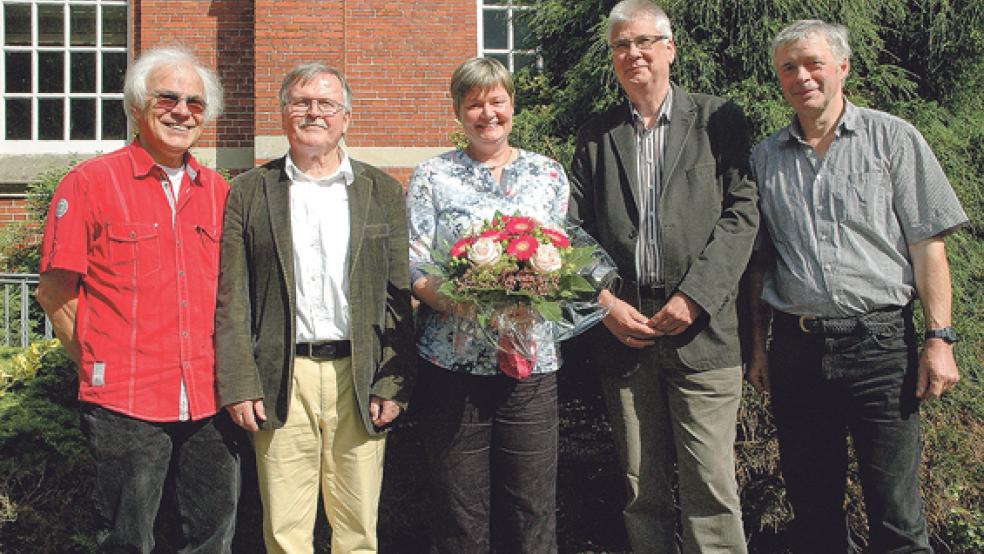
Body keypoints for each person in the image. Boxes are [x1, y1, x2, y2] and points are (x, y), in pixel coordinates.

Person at [745, 19, 969, 553]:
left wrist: (941, 338)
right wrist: (757, 348)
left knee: (895, 513)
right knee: (814, 510)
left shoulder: (892, 138)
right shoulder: (764, 158)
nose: (802, 76)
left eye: (813, 63)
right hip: (797, 351)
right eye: (789, 68)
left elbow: (927, 246)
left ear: (842, 67)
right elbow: (758, 265)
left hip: (880, 349)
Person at [568, 1, 759, 552]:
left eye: (646, 41)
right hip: (626, 334)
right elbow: (571, 231)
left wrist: (696, 297)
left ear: (670, 49)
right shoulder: (596, 135)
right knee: (639, 489)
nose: (634, 54)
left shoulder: (719, 120)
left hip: (704, 334)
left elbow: (742, 214)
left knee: (711, 487)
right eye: (622, 45)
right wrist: (603, 302)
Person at [35, 47, 239, 553]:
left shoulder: (218, 192)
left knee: (213, 536)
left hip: (208, 399)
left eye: (195, 102)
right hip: (125, 403)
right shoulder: (90, 183)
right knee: (131, 541)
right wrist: (100, 363)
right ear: (135, 107)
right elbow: (56, 292)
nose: (182, 111)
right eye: (167, 98)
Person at [213, 63, 415, 554]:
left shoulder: (381, 190)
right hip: (282, 375)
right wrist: (239, 381)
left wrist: (393, 380)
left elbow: (398, 293)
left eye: (326, 104)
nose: (314, 112)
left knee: (358, 528)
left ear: (346, 117)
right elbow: (231, 297)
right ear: (284, 115)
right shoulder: (249, 191)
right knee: (284, 529)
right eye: (302, 102)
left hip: (359, 373)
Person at [407, 57, 571, 553]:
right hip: (452, 365)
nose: (487, 113)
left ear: (512, 105)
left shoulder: (548, 173)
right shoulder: (432, 175)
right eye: (474, 103)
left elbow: (563, 261)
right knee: (460, 510)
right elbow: (415, 267)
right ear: (458, 111)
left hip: (530, 365)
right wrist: (464, 304)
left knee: (532, 505)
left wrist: (533, 298)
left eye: (496, 100)